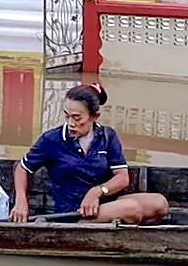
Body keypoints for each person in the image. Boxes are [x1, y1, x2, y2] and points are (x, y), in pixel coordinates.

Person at [9, 83, 169, 224]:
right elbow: (22, 168)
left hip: (106, 203)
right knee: (131, 209)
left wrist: (96, 192)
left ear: (94, 116)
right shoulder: (52, 140)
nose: (71, 124)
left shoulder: (107, 136)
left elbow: (122, 177)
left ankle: (117, 225)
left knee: (159, 204)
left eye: (77, 118)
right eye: (67, 116)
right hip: (73, 211)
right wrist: (21, 201)